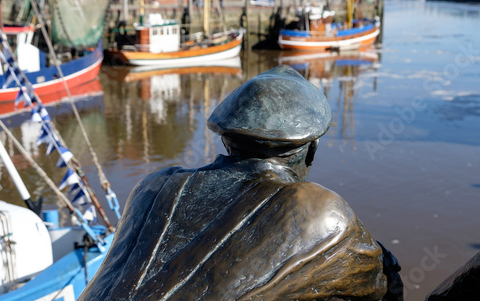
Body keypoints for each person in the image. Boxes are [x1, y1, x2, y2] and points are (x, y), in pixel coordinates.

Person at [79, 66, 402, 300]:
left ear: (227, 140)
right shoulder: (318, 212)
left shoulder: (153, 186)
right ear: (311, 151)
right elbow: (382, 288)